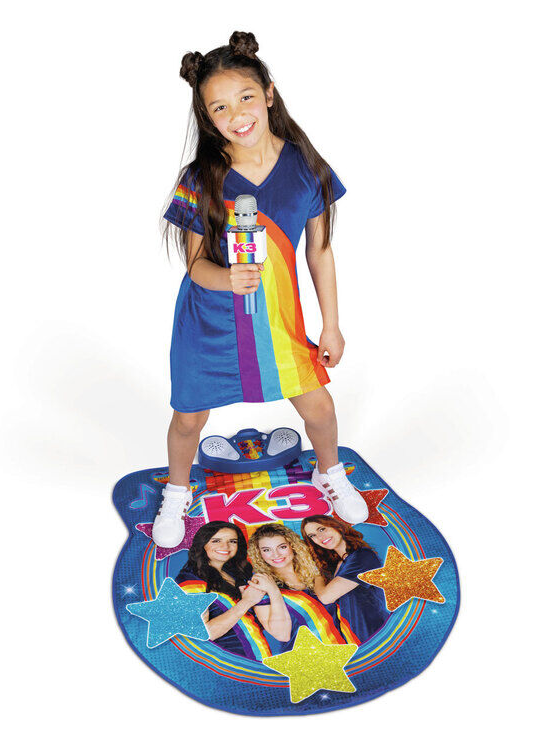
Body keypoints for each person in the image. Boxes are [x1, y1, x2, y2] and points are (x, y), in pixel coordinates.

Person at [152, 30, 367, 547]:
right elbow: (195, 266)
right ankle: (177, 492)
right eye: (220, 107)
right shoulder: (201, 177)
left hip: (276, 321)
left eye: (246, 97)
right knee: (188, 420)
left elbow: (319, 251)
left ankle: (329, 472)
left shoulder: (307, 168)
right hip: (209, 325)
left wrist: (331, 325)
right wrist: (227, 279)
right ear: (208, 118)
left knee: (320, 409)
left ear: (269, 93)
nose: (237, 115)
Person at [174, 521, 289, 660]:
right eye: (216, 541)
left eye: (232, 541)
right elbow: (201, 634)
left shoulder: (237, 574)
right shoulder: (190, 580)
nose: (225, 546)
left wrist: (272, 591)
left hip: (259, 659)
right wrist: (247, 602)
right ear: (202, 543)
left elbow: (276, 630)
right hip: (226, 663)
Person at [247, 523, 354, 648]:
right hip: (306, 657)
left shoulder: (318, 572)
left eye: (282, 547)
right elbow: (282, 635)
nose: (276, 554)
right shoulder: (260, 585)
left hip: (346, 648)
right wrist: (274, 591)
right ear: (259, 553)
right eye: (266, 550)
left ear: (292, 546)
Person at [301, 515, 390, 644]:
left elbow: (326, 597)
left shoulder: (362, 556)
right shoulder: (338, 564)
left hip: (374, 636)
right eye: (312, 536)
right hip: (352, 639)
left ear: (337, 526)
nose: (319, 537)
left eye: (321, 529)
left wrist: (316, 574)